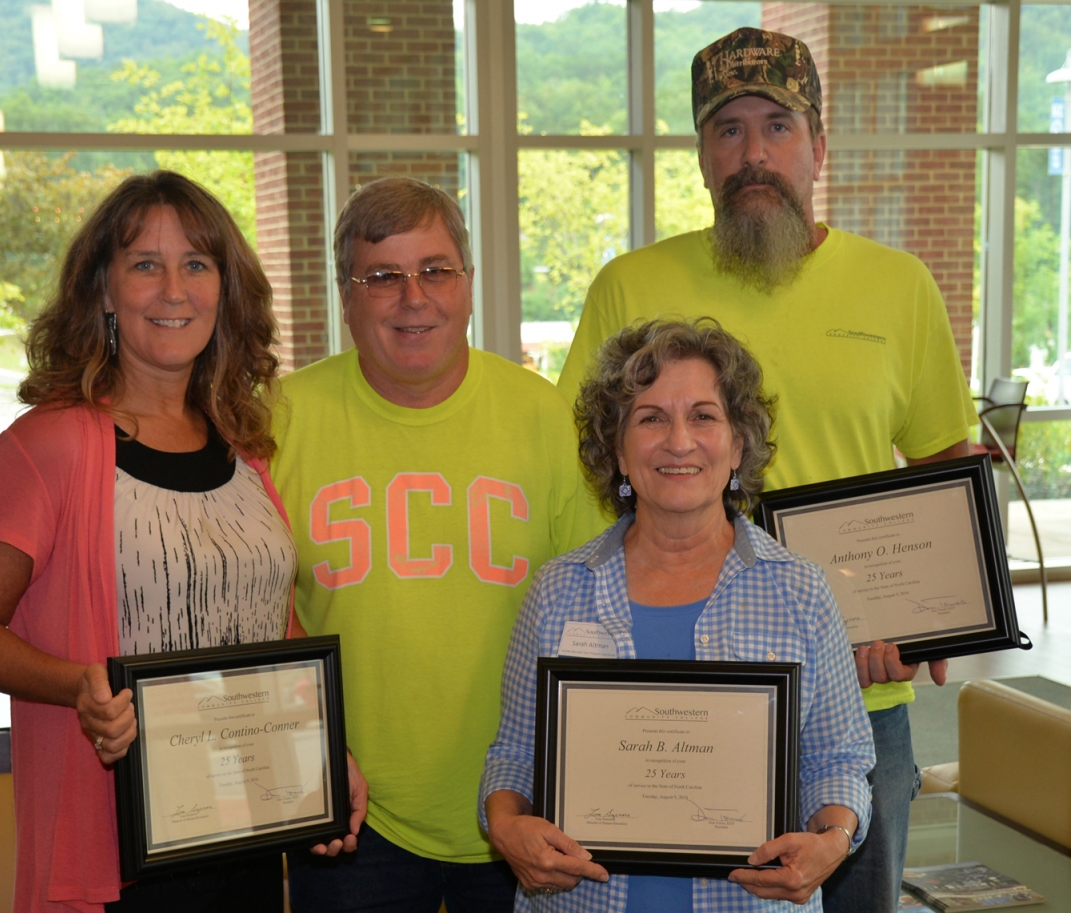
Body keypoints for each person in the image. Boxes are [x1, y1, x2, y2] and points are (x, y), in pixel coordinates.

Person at [556, 28, 977, 912]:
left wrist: (934, 621)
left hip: (859, 697)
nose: (754, 153)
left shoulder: (899, 287)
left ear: (819, 145)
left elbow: (947, 466)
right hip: (669, 687)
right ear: (702, 155)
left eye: (778, 126)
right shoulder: (629, 286)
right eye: (728, 129)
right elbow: (583, 475)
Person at [0, 170, 363, 913]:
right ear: (102, 291)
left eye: (197, 264)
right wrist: (79, 683)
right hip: (117, 854)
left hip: (248, 830)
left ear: (225, 291)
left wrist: (324, 751)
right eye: (144, 265)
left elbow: (272, 621)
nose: (174, 289)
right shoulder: (49, 447)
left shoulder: (245, 446)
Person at [270, 175, 603, 913]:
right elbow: (256, 610)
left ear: (470, 284)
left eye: (435, 270)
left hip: (524, 802)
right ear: (346, 297)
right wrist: (307, 750)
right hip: (352, 811)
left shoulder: (542, 415)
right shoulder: (281, 420)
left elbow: (600, 604)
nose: (412, 297)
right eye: (382, 276)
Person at [481, 319, 874, 911]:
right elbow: (513, 754)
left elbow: (838, 757)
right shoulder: (559, 590)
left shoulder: (799, 590)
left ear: (739, 445)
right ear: (616, 449)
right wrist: (506, 827)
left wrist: (835, 839)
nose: (679, 441)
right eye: (651, 418)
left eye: (704, 416)